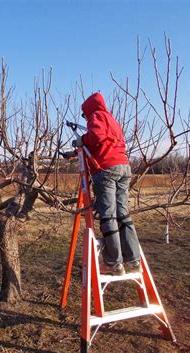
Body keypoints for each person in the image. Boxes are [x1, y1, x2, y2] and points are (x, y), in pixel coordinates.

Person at [72, 92, 141, 276]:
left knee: (108, 216)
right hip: (123, 166)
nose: (85, 118)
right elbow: (107, 140)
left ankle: (113, 263)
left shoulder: (96, 115)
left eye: (84, 115)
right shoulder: (111, 119)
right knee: (123, 214)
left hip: (106, 169)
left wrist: (82, 140)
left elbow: (95, 136)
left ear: (88, 110)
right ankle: (134, 259)